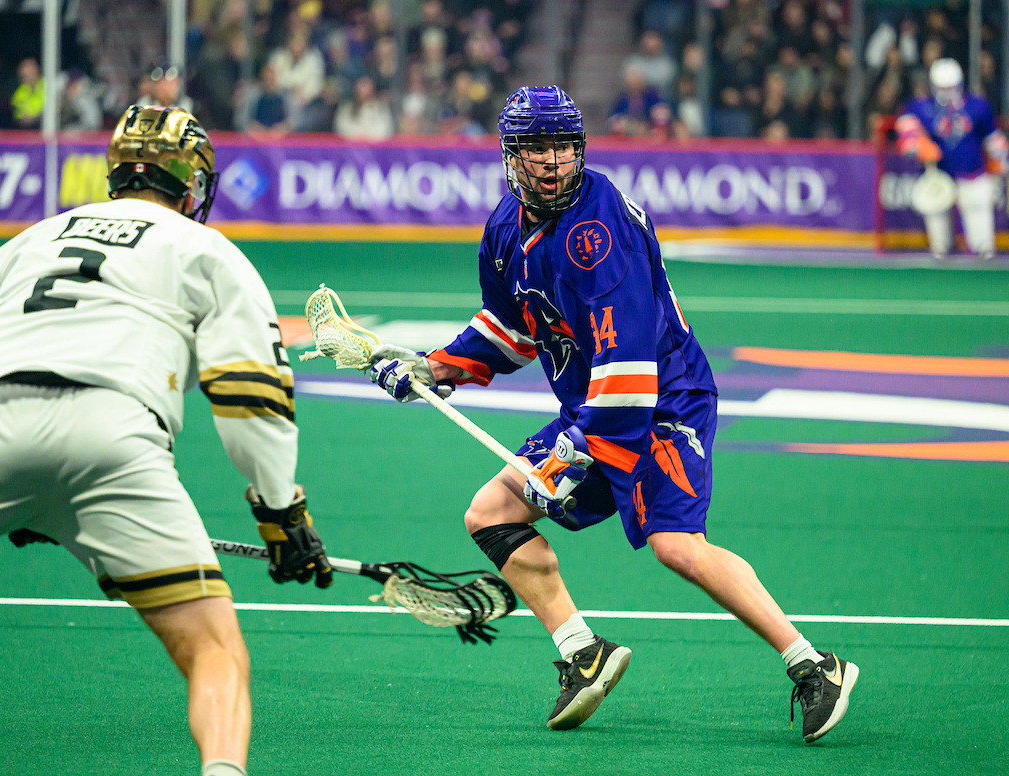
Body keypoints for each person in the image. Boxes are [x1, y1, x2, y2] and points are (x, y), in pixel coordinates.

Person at [0, 105, 332, 776]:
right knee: (212, 648)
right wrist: (279, 513)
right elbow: (249, 396)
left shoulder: (36, 236)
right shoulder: (208, 250)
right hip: (118, 438)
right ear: (191, 183)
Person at [366, 86, 859, 741]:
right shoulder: (503, 227)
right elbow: (514, 329)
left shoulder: (601, 231)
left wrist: (572, 454)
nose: (553, 161)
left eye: (564, 146)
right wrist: (434, 366)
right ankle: (582, 653)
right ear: (512, 155)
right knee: (491, 514)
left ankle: (815, 667)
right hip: (593, 409)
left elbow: (628, 371)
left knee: (676, 546)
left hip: (659, 403)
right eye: (537, 147)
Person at [896, 58, 1008, 258]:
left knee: (979, 213)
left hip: (972, 171)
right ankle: (941, 248)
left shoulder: (978, 105)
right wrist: (918, 145)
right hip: (938, 174)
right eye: (943, 87)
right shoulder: (920, 107)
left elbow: (993, 139)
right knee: (937, 220)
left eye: (952, 87)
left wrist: (1002, 164)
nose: (947, 93)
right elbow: (906, 135)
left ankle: (983, 248)